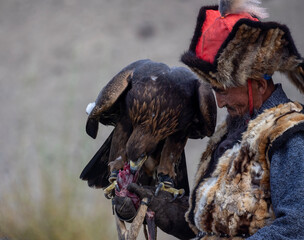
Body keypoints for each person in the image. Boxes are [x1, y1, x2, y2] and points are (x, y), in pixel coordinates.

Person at [113, 2, 304, 239]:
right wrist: (162, 209)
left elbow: (296, 228)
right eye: (215, 92)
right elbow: (211, 226)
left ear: (259, 85)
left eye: (224, 91)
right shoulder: (231, 134)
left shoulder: (290, 136)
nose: (220, 103)